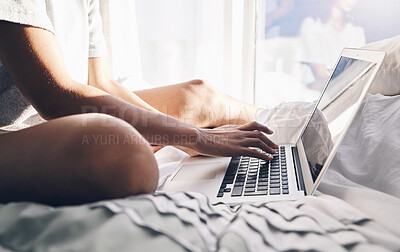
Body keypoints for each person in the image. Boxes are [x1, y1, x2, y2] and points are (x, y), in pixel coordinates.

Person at [0, 0, 277, 206]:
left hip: (61, 118)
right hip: (11, 133)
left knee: (200, 96)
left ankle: (289, 137)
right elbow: (56, 97)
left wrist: (184, 138)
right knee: (125, 154)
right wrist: (196, 136)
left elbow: (100, 84)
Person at [299, 0, 366, 90]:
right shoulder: (312, 26)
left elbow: (358, 70)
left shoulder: (357, 31)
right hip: (314, 92)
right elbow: (320, 76)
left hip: (344, 90)